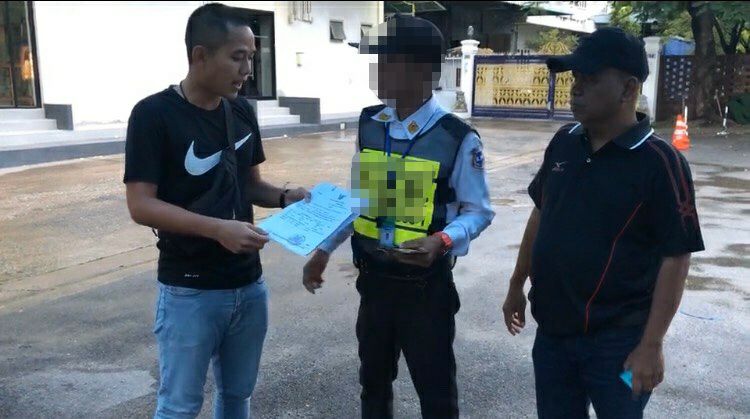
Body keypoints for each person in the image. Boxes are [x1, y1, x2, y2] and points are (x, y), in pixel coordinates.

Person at [501, 27, 705, 419]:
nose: (575, 89)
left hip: (620, 346)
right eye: (575, 78)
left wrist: (651, 345)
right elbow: (541, 213)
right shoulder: (564, 142)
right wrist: (516, 285)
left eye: (590, 79)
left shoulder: (660, 163)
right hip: (553, 338)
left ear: (628, 89)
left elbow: (676, 257)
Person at [302, 14, 494, 419]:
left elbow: (479, 211)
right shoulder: (370, 125)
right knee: (373, 386)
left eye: (388, 61)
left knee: (436, 395)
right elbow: (361, 200)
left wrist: (442, 240)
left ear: (423, 71)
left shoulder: (457, 138)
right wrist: (323, 250)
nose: (378, 71)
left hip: (426, 290)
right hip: (374, 284)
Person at [123, 4, 307, 418]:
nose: (247, 70)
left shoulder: (241, 111)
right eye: (238, 57)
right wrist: (218, 229)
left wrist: (285, 196)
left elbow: (250, 184)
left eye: (251, 58)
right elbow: (141, 204)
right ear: (200, 56)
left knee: (238, 396)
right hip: (189, 289)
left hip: (248, 284)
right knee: (179, 406)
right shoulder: (153, 115)